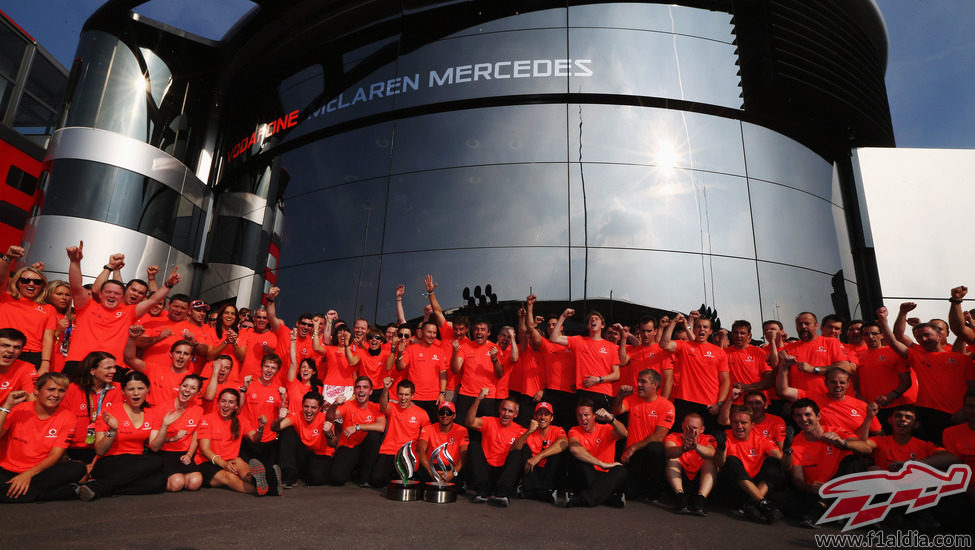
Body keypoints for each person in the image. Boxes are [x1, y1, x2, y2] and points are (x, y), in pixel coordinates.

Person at [63, 241, 179, 376]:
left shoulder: (128, 312)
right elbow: (76, 286)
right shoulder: (86, 306)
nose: (112, 295)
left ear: (122, 297)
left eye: (117, 293)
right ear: (100, 294)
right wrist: (75, 262)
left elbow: (153, 300)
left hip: (112, 367)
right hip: (79, 362)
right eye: (108, 292)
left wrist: (168, 285)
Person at [879, 302, 975, 443]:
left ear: (939, 335)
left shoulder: (961, 358)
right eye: (919, 337)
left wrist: (965, 411)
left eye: (927, 335)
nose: (923, 339)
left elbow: (972, 388)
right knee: (933, 450)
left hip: (956, 414)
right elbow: (894, 341)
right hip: (926, 412)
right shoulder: (917, 355)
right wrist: (883, 320)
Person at [77, 371, 166, 501]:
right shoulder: (110, 412)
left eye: (140, 388)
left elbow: (155, 447)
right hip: (111, 461)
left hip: (137, 463)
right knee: (155, 462)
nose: (136, 393)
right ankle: (100, 487)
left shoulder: (152, 412)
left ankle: (101, 487)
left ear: (148, 390)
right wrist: (112, 430)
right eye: (131, 389)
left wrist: (164, 426)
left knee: (158, 482)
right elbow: (100, 450)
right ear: (123, 392)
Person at [786, 398, 874, 528]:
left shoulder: (836, 432)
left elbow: (867, 449)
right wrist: (809, 487)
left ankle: (822, 509)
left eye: (807, 414)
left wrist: (843, 443)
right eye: (798, 415)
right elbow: (798, 480)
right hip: (816, 493)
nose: (803, 419)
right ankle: (838, 513)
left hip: (842, 491)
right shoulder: (795, 444)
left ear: (819, 416)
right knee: (785, 502)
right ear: (794, 418)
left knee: (855, 462)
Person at [0, 372, 86, 502]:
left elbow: (55, 455)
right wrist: (6, 407)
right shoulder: (19, 409)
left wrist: (28, 475)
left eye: (61, 391)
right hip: (6, 470)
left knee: (77, 468)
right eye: (51, 389)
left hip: (39, 473)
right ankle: (63, 493)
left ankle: (11, 493)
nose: (56, 395)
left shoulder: (68, 417)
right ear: (36, 391)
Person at [659, 311, 730, 434]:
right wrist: (674, 322)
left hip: (708, 404)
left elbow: (726, 381)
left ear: (710, 331)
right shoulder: (684, 346)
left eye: (705, 327)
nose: (701, 329)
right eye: (698, 326)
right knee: (679, 437)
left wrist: (719, 403)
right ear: (694, 329)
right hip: (684, 401)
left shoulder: (719, 352)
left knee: (707, 441)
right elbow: (664, 344)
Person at [612, 369, 674, 501]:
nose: (638, 384)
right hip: (633, 457)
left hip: (647, 455)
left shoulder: (667, 406)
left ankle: (654, 491)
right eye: (638, 381)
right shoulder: (633, 399)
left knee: (655, 448)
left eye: (643, 382)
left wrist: (633, 447)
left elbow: (659, 436)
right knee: (628, 493)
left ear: (655, 385)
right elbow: (616, 411)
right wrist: (620, 396)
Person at [715, 406, 784, 523]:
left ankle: (754, 503)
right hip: (733, 490)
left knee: (773, 462)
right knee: (731, 460)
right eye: (735, 422)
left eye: (743, 422)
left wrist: (788, 451)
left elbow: (783, 461)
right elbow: (719, 464)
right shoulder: (724, 436)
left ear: (752, 425)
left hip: (754, 488)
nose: (739, 426)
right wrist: (721, 448)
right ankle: (763, 503)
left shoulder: (761, 439)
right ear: (730, 423)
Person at [778, 365, 881, 439]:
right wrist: (783, 368)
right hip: (824, 450)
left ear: (848, 384)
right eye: (833, 382)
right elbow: (784, 391)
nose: (838, 386)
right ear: (826, 383)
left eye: (842, 382)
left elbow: (878, 433)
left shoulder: (862, 406)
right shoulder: (813, 399)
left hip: (854, 450)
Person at [547, 308, 620, 412]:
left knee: (603, 426)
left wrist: (598, 379)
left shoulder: (611, 346)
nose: (593, 320)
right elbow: (554, 338)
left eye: (596, 319)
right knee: (583, 425)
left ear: (602, 325)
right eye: (591, 319)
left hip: (603, 392)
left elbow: (616, 374)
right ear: (587, 326)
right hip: (583, 392)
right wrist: (563, 316)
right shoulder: (578, 341)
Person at [466, 388, 529, 506]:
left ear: (516, 414)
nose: (506, 414)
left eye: (510, 411)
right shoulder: (489, 421)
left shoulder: (520, 430)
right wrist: (478, 400)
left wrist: (529, 432)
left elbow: (519, 448)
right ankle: (482, 491)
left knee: (517, 453)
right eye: (504, 410)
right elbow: (469, 422)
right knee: (474, 446)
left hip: (503, 472)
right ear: (499, 410)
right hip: (486, 470)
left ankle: (502, 493)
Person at [560, 399, 627, 508]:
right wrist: (601, 463)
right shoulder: (574, 430)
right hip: (588, 474)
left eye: (586, 415)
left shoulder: (606, 429)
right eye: (579, 416)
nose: (583, 419)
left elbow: (624, 433)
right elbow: (575, 449)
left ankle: (581, 500)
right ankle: (609, 498)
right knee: (577, 461)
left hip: (605, 476)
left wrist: (612, 419)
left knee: (620, 470)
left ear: (594, 416)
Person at [61, 351, 123, 465]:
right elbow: (60, 422)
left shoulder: (119, 389)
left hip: (109, 449)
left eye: (114, 367)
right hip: (75, 450)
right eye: (108, 368)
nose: (113, 371)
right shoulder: (71, 390)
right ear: (92, 370)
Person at [853, 320, 915, 434]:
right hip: (871, 410)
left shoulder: (894, 353)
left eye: (874, 333)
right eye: (866, 334)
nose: (870, 337)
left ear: (882, 335)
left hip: (896, 407)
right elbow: (855, 384)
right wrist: (861, 400)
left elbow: (906, 382)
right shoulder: (858, 357)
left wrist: (891, 396)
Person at [0, 245, 55, 372]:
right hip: (4, 350)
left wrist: (45, 364)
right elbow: (1, 278)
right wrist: (8, 258)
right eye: (25, 280)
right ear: (17, 282)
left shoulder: (48, 308)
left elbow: (48, 338)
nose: (31, 284)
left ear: (42, 286)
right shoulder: (5, 298)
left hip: (32, 355)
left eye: (37, 282)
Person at [525, 296, 577, 430]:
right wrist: (530, 307)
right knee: (548, 429)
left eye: (554, 324)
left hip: (570, 394)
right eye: (548, 325)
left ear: (561, 327)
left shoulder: (571, 344)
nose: (550, 327)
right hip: (551, 393)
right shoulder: (545, 344)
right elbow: (531, 328)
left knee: (568, 429)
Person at [195, 388, 259, 494]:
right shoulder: (207, 419)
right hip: (207, 463)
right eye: (223, 401)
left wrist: (260, 429)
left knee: (240, 462)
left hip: (230, 461)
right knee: (229, 476)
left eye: (231, 402)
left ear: (236, 406)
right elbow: (204, 449)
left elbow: (255, 438)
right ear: (218, 403)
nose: (226, 405)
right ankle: (261, 490)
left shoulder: (240, 420)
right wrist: (224, 464)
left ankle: (257, 480)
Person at [148, 374, 205, 492]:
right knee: (177, 483)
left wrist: (189, 455)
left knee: (195, 482)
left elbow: (195, 436)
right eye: (185, 386)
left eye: (193, 388)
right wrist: (170, 436)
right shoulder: (161, 408)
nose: (187, 390)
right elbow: (153, 446)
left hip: (183, 454)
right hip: (164, 452)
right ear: (179, 387)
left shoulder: (198, 410)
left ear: (198, 393)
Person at [238, 354, 285, 495]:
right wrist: (243, 389)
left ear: (277, 371)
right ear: (261, 367)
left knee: (267, 474)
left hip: (268, 441)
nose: (269, 370)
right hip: (249, 439)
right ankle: (264, 480)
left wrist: (283, 399)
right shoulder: (249, 385)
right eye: (267, 366)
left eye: (273, 368)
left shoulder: (279, 390)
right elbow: (239, 409)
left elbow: (281, 414)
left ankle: (274, 482)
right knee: (250, 470)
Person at [776, 312, 853, 396]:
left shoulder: (831, 342)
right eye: (800, 324)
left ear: (816, 326)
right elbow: (777, 376)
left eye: (807, 323)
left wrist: (814, 369)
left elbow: (845, 368)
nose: (803, 326)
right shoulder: (788, 349)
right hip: (802, 401)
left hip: (828, 399)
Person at [327, 376, 385, 487]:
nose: (361, 390)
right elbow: (330, 417)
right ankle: (352, 470)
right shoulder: (347, 405)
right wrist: (334, 404)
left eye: (365, 387)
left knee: (374, 435)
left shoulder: (376, 407)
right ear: (354, 390)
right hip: (348, 446)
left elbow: (381, 427)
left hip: (366, 449)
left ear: (371, 391)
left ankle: (363, 474)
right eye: (358, 387)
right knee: (336, 479)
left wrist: (357, 427)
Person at [372, 378, 429, 487]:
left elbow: (427, 435)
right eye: (400, 394)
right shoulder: (392, 407)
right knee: (376, 480)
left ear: (412, 396)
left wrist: (419, 453)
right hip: (389, 450)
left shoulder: (421, 413)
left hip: (408, 453)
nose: (403, 398)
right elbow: (383, 406)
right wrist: (385, 389)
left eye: (406, 395)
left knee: (409, 483)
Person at [272, 391, 337, 486]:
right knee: (287, 431)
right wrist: (279, 418)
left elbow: (333, 443)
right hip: (304, 453)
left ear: (319, 409)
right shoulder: (297, 415)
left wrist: (329, 433)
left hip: (321, 455)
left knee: (316, 479)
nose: (309, 410)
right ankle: (288, 475)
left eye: (313, 407)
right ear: (302, 406)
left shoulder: (325, 419)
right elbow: (275, 428)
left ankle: (303, 474)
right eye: (306, 406)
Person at [125, 325, 197, 407]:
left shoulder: (191, 381)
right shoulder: (154, 369)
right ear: (171, 354)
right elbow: (130, 359)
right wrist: (132, 338)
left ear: (191, 358)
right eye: (178, 352)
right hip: (149, 415)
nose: (181, 356)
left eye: (186, 354)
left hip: (171, 417)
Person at [453, 320, 507, 426]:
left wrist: (494, 358)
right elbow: (456, 369)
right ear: (473, 332)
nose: (479, 332)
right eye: (477, 329)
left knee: (484, 429)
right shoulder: (465, 346)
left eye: (483, 329)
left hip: (488, 396)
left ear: (488, 333)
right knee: (462, 427)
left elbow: (500, 374)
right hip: (466, 394)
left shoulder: (495, 349)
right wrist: (455, 352)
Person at [663, 413, 716, 515]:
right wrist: (683, 448)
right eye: (688, 427)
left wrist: (696, 446)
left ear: (702, 429)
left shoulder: (708, 438)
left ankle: (701, 500)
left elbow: (712, 452)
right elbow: (668, 451)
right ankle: (680, 498)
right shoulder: (673, 436)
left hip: (700, 481)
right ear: (683, 426)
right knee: (672, 459)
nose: (691, 431)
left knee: (711, 461)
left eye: (695, 428)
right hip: (679, 480)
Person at [395, 320, 448, 423]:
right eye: (429, 332)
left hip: (434, 399)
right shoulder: (411, 349)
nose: (432, 335)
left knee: (432, 428)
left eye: (434, 333)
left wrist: (442, 393)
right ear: (421, 333)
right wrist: (400, 353)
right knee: (413, 427)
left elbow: (443, 374)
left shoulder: (440, 352)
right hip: (415, 397)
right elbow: (400, 367)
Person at [520, 401, 567, 502]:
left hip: (548, 471)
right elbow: (515, 449)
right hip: (532, 471)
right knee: (523, 449)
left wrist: (539, 457)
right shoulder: (528, 430)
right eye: (539, 414)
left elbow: (564, 443)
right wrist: (529, 432)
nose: (542, 417)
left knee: (558, 453)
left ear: (552, 418)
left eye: (546, 414)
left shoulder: (557, 430)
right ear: (535, 416)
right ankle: (541, 492)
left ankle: (536, 491)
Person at [417, 400, 469, 484]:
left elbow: (464, 453)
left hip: (453, 468)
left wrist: (452, 473)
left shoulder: (461, 430)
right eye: (442, 412)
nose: (444, 415)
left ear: (454, 415)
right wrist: (431, 471)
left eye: (448, 413)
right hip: (432, 467)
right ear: (438, 415)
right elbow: (420, 450)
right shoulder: (428, 429)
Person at [724, 320, 773, 404]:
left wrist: (747, 387)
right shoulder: (724, 353)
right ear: (732, 334)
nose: (739, 336)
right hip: (733, 402)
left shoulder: (759, 352)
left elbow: (770, 380)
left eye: (742, 333)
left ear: (749, 335)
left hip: (756, 403)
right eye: (736, 333)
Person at [718, 389, 786, 449]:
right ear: (745, 406)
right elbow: (723, 421)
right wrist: (731, 399)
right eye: (750, 403)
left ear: (765, 405)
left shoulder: (777, 421)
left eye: (758, 403)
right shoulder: (740, 419)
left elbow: (781, 449)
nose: (754, 406)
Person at [0, 328, 37, 404]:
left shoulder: (26, 368)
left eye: (16, 347)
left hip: (8, 413)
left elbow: (32, 400)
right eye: (5, 346)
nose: (11, 351)